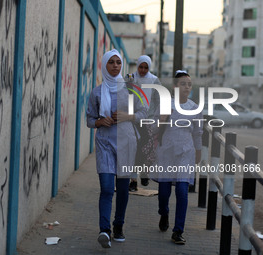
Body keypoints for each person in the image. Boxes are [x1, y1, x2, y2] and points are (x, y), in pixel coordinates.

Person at [86, 49, 146, 248]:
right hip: (104, 143)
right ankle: (105, 230)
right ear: (104, 65)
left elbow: (144, 112)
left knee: (122, 188)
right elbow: (89, 119)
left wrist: (127, 116)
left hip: (127, 142)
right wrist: (100, 122)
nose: (115, 66)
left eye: (118, 62)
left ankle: (118, 225)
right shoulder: (96, 92)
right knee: (105, 187)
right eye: (111, 62)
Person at [154, 70, 202, 244]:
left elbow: (198, 132)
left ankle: (178, 231)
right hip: (166, 150)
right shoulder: (167, 104)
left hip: (186, 151)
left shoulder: (195, 107)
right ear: (175, 86)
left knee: (182, 191)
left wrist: (198, 151)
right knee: (164, 192)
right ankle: (164, 213)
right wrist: (162, 118)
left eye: (189, 84)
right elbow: (154, 127)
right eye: (183, 84)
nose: (187, 87)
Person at [126, 55, 161, 191]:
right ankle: (133, 180)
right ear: (137, 65)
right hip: (133, 120)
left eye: (146, 67)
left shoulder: (154, 80)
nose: (143, 70)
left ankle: (144, 172)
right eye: (141, 67)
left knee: (146, 149)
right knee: (134, 149)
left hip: (149, 120)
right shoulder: (130, 78)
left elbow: (159, 100)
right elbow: (124, 95)